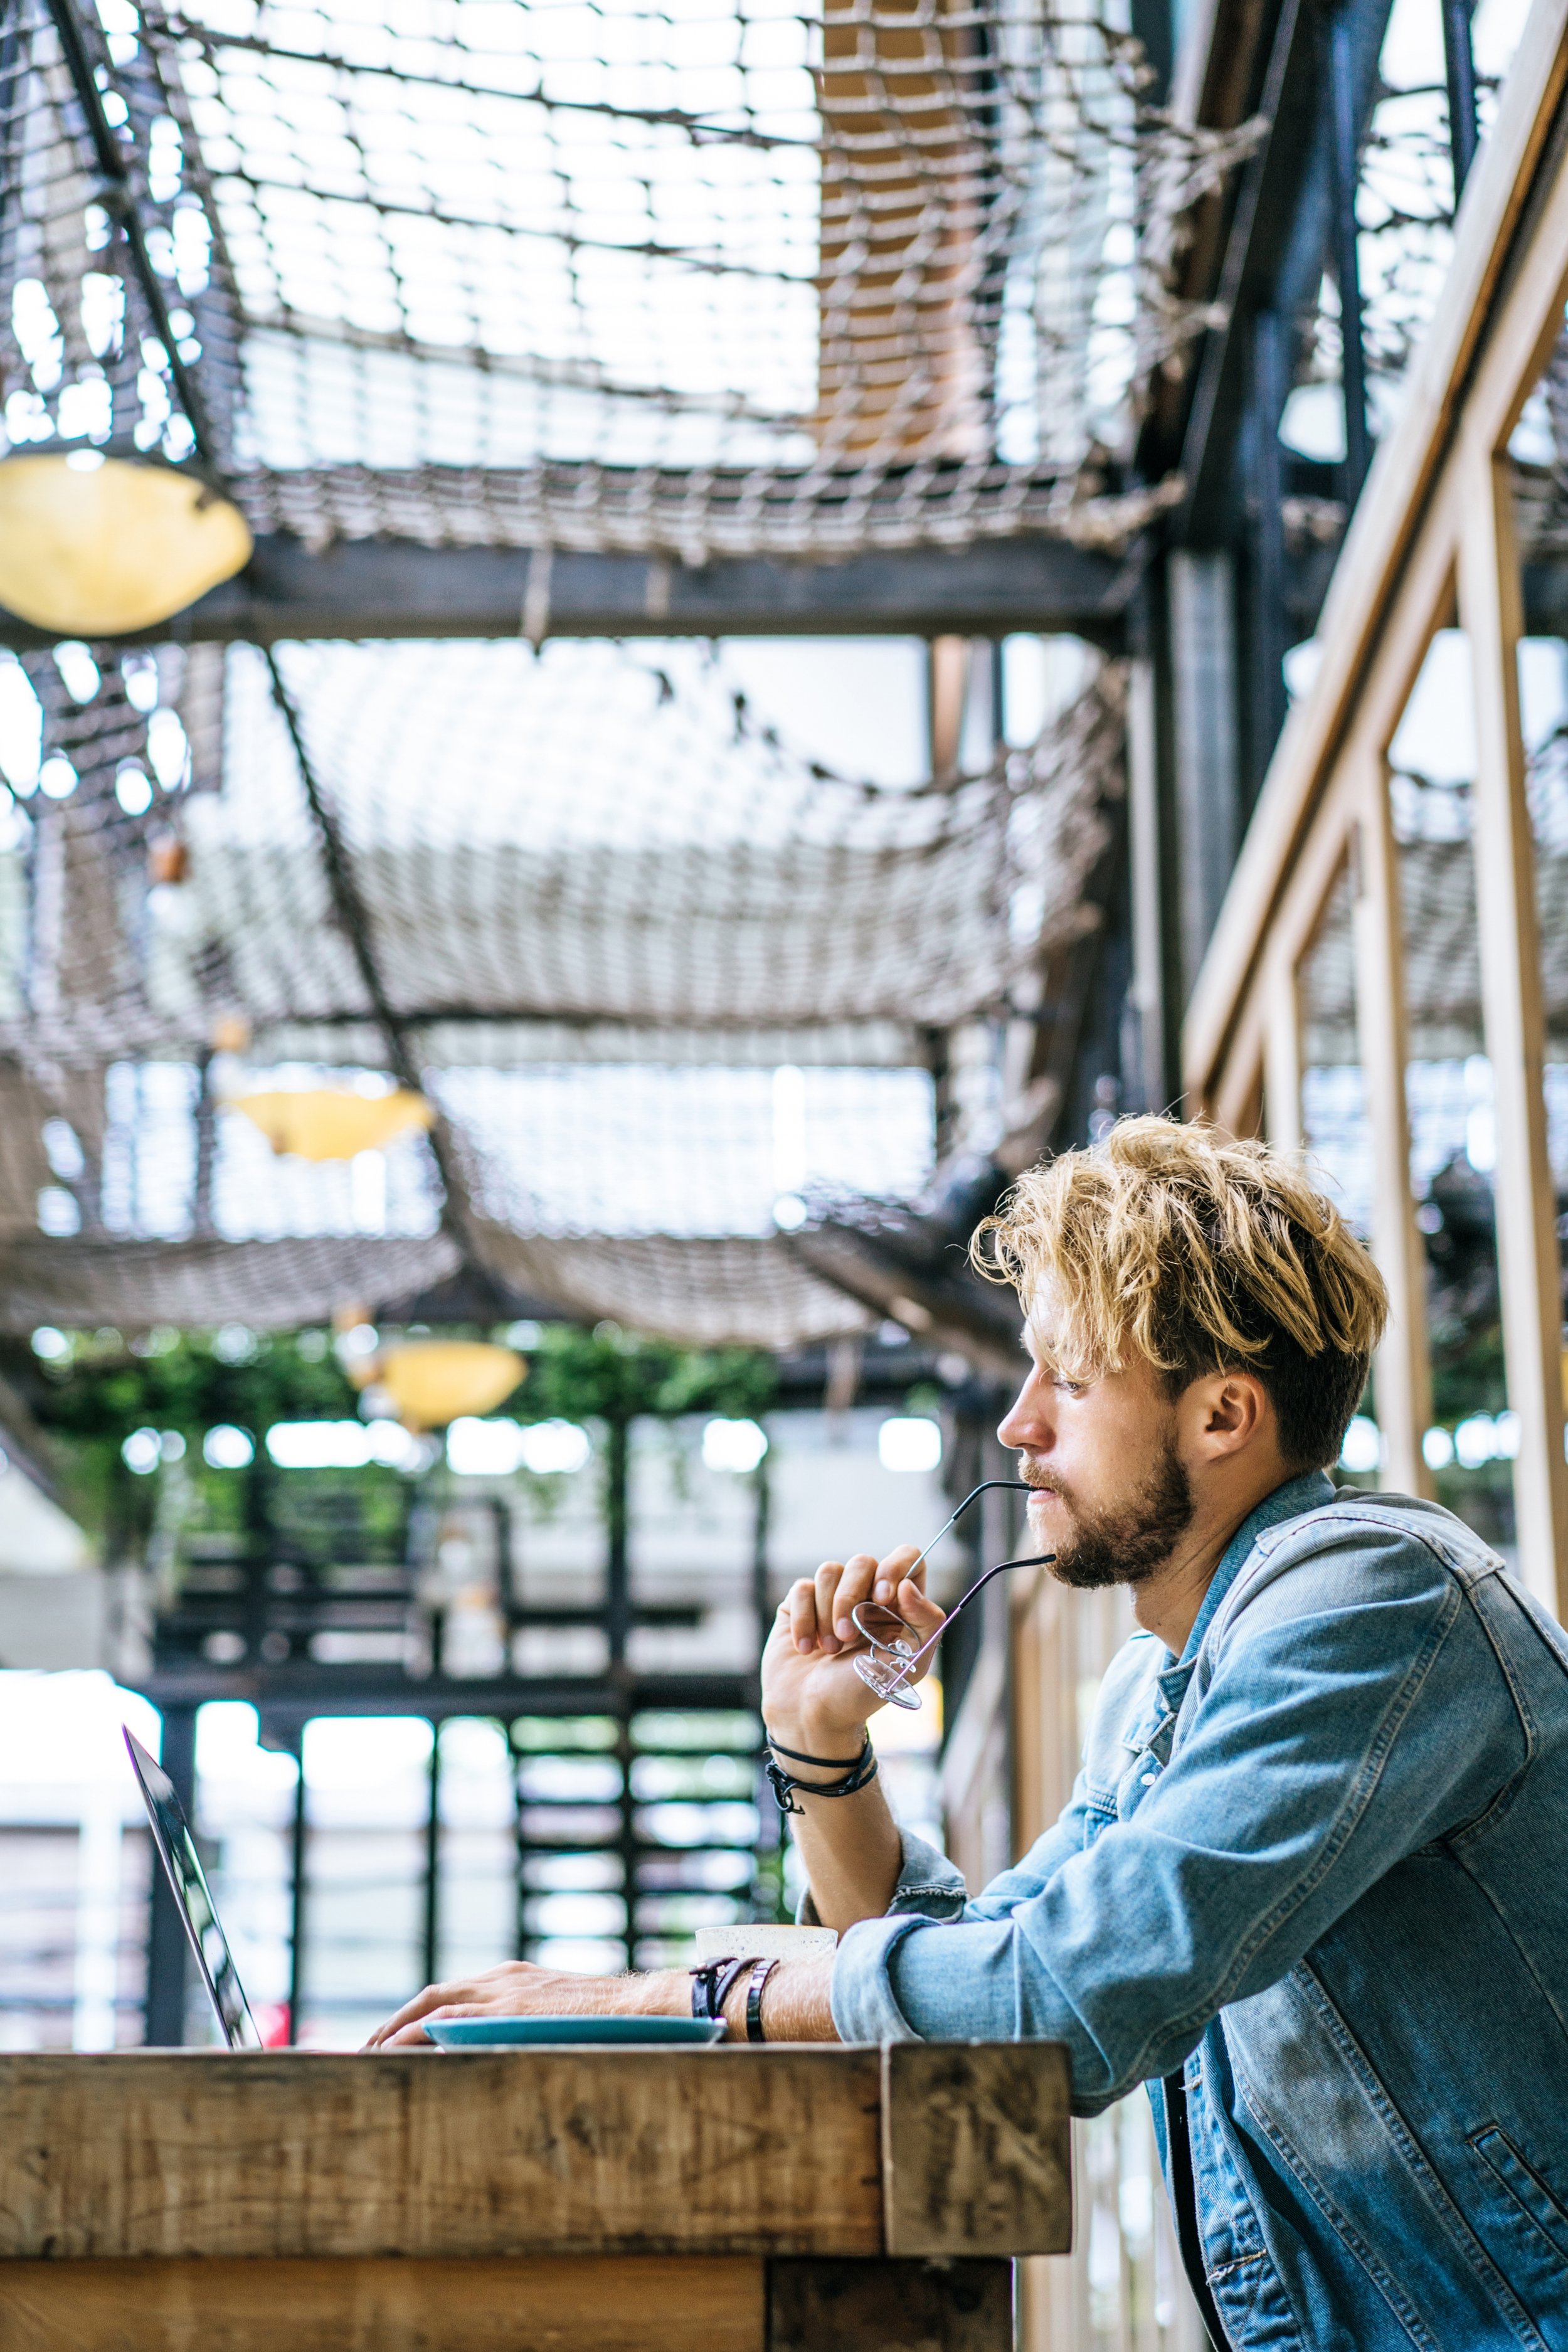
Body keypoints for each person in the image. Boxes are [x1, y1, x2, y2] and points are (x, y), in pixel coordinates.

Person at [367, 1118, 1568, 2352]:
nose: (1017, 1425)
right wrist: (822, 1753)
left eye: (1070, 1378)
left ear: (1219, 1416)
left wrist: (678, 1995)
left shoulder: (1371, 1598)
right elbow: (982, 1981)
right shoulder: (1159, 1683)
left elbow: (1064, 1999)